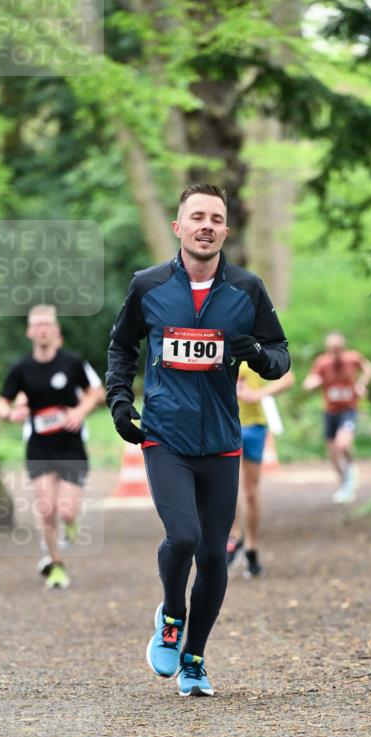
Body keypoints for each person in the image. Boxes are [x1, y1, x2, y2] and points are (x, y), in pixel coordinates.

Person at [106, 184, 290, 698]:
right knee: (182, 537)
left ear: (226, 230)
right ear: (179, 227)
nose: (206, 225)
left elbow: (280, 356)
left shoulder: (246, 290)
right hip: (166, 436)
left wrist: (257, 352)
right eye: (197, 217)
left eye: (216, 218)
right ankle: (171, 616)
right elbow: (121, 346)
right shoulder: (149, 286)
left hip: (223, 441)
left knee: (212, 554)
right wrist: (120, 402)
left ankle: (194, 659)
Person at [0, 305, 105, 589]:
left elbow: (97, 391)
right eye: (38, 324)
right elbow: (1, 403)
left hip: (70, 446)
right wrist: (10, 414)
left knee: (67, 511)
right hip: (39, 447)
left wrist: (79, 412)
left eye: (48, 324)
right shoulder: (21, 369)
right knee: (46, 508)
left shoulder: (72, 362)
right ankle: (57, 565)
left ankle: (69, 526)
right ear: (30, 331)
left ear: (56, 330)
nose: (43, 329)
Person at [226, 363, 295, 578]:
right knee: (226, 489)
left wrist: (260, 394)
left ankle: (251, 547)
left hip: (253, 426)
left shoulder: (254, 348)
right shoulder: (218, 341)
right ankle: (233, 539)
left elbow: (288, 377)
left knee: (250, 492)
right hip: (225, 424)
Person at [303, 332, 371, 503]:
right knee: (333, 454)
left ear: (343, 347)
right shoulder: (322, 363)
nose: (335, 352)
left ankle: (351, 472)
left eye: (338, 348)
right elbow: (309, 382)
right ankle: (345, 483)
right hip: (330, 412)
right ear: (328, 349)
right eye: (332, 349)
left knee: (343, 445)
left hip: (348, 410)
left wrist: (362, 384)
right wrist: (313, 383)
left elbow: (369, 368)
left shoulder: (353, 358)